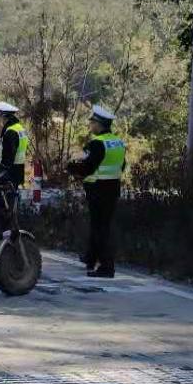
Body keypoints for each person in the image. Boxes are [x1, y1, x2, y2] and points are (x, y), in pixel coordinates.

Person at [67, 104, 126, 279]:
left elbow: (87, 168)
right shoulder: (118, 142)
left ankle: (107, 267)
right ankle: (90, 258)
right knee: (100, 225)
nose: (90, 125)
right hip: (112, 188)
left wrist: (70, 167)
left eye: (92, 122)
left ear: (99, 124)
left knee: (100, 228)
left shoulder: (96, 144)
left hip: (98, 189)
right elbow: (122, 165)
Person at [0, 102, 28, 186]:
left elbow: (8, 156)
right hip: (19, 169)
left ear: (3, 117)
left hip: (10, 173)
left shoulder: (10, 132)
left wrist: (1, 171)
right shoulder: (19, 128)